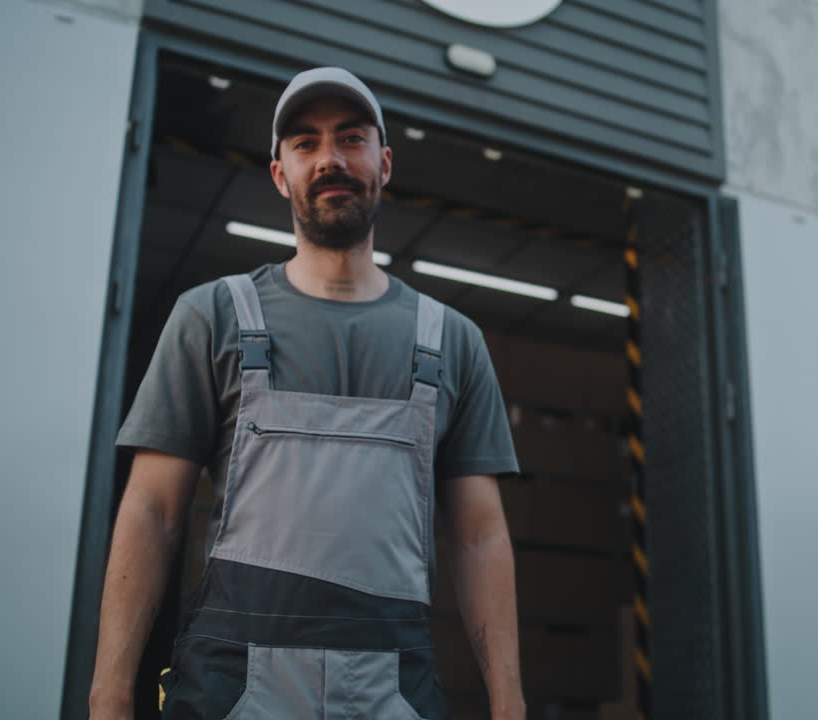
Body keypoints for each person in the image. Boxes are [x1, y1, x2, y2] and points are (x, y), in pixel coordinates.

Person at [88, 67, 524, 720]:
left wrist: (509, 704)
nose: (329, 159)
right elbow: (151, 511)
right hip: (230, 694)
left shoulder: (452, 341)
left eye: (350, 138)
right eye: (305, 143)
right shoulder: (213, 317)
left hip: (393, 695)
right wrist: (110, 693)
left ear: (384, 160)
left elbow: (479, 537)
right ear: (279, 173)